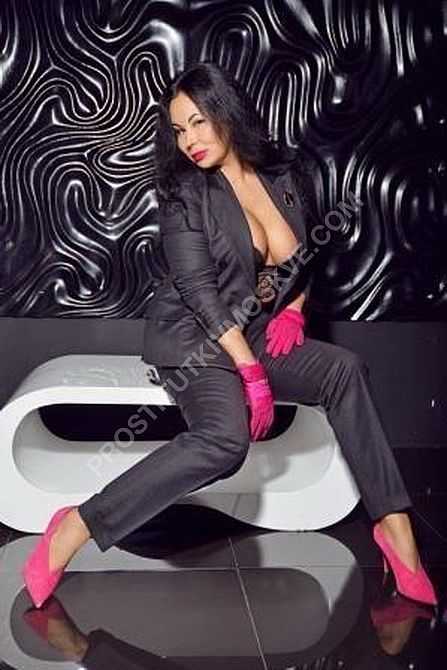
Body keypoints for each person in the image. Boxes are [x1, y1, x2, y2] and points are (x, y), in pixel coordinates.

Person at [22, 61, 437, 609]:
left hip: (255, 329)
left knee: (344, 370)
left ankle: (394, 526)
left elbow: (303, 257)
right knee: (225, 440)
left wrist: (294, 309)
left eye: (198, 122)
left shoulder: (283, 175)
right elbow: (199, 292)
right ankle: (77, 525)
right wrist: (250, 372)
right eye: (178, 129)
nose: (188, 140)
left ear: (227, 112)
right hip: (194, 337)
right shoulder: (183, 193)